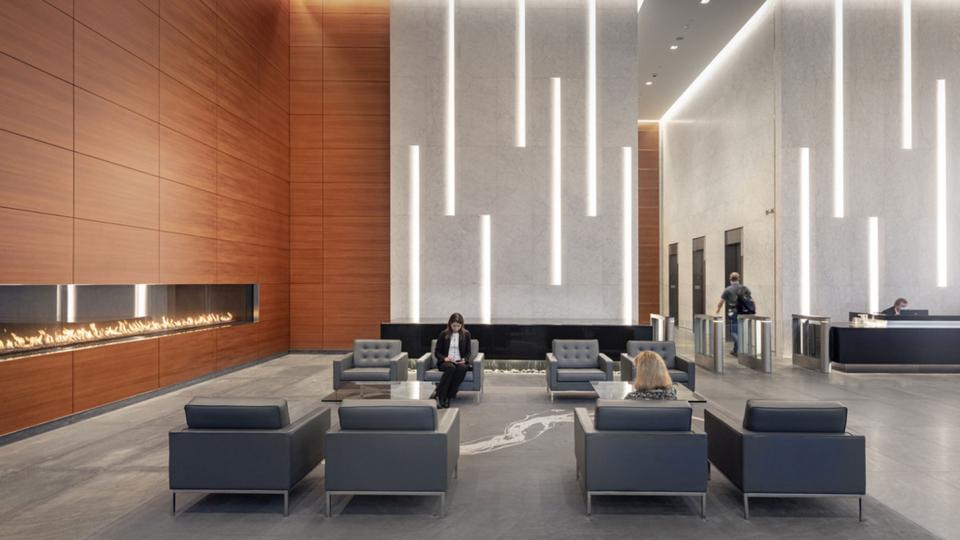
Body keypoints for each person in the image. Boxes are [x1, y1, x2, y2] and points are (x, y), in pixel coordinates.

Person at [431, 312, 472, 409]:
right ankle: (441, 397)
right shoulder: (443, 334)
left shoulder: (466, 334)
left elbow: (468, 352)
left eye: (458, 326)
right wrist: (445, 358)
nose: (456, 328)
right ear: (450, 324)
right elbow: (437, 352)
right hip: (446, 362)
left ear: (461, 325)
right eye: (454, 326)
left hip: (459, 361)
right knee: (451, 368)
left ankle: (446, 396)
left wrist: (464, 359)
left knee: (462, 369)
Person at [716, 272, 754, 356]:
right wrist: (752, 310)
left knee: (733, 331)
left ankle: (740, 346)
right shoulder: (744, 288)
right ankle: (735, 350)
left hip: (734, 312)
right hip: (744, 312)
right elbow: (751, 300)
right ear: (738, 279)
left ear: (730, 279)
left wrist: (718, 310)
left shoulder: (728, 289)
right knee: (739, 330)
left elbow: (721, 302)